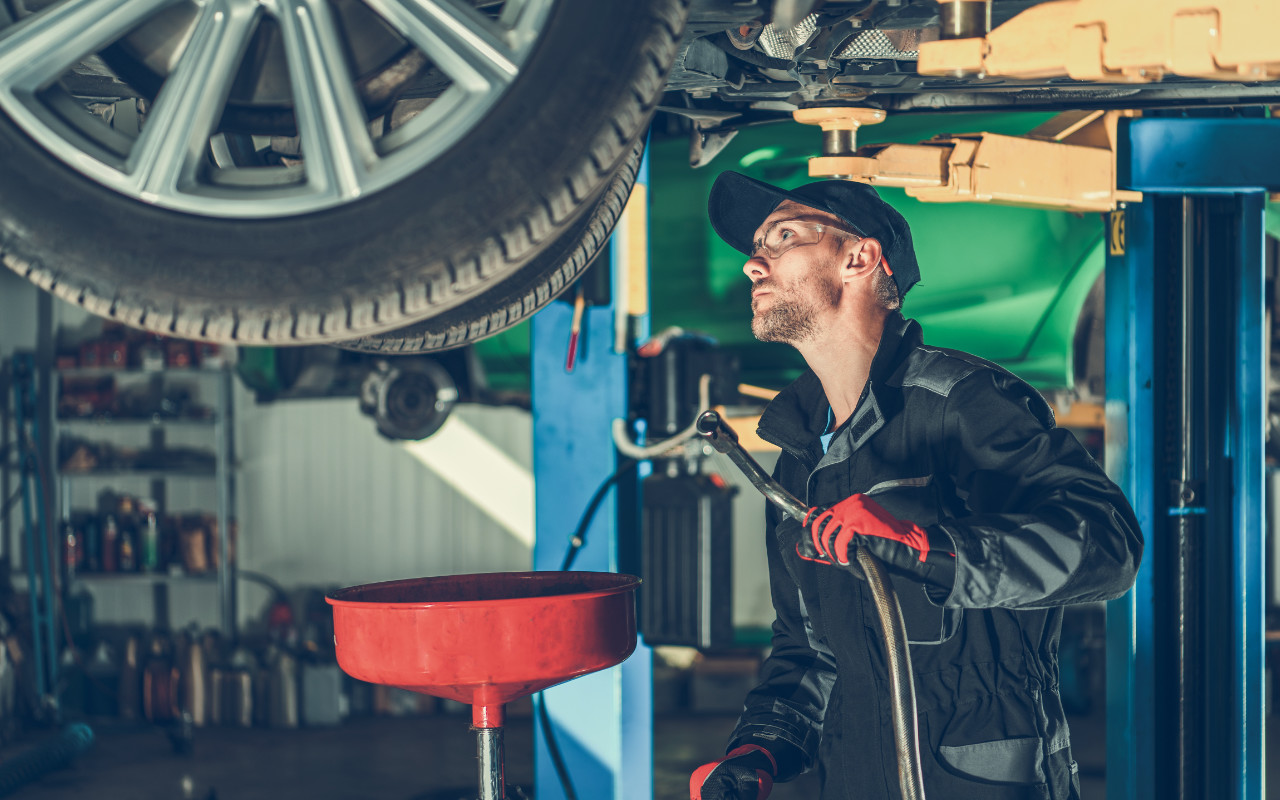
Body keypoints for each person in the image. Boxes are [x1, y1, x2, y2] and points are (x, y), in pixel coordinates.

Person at [689, 172, 1142, 800]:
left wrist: (933, 548)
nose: (752, 263)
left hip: (980, 779)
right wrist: (756, 750)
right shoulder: (798, 452)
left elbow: (1109, 548)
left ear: (859, 257)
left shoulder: (963, 403)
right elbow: (811, 650)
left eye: (783, 236)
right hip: (854, 777)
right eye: (757, 244)